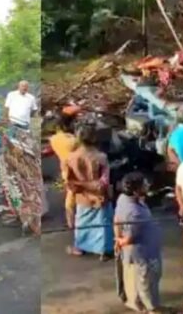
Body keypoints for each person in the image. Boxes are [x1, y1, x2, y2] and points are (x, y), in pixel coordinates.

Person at [63, 123, 114, 261]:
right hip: (100, 197)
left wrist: (80, 186)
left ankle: (80, 247)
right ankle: (104, 251)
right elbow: (104, 182)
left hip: (82, 197)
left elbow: (68, 181)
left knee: (83, 223)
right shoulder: (101, 157)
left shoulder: (70, 158)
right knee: (103, 224)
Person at [114, 172, 162, 313]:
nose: (147, 186)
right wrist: (121, 241)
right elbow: (130, 238)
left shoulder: (123, 199)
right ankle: (151, 308)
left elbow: (116, 219)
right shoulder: (135, 212)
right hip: (144, 252)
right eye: (144, 185)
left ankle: (136, 303)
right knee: (148, 281)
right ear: (135, 191)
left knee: (135, 279)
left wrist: (117, 239)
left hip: (134, 252)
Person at [50, 114, 79, 228]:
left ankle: (70, 221)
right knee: (76, 195)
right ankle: (73, 222)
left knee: (70, 195)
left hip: (65, 168)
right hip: (76, 169)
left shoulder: (54, 139)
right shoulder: (73, 141)